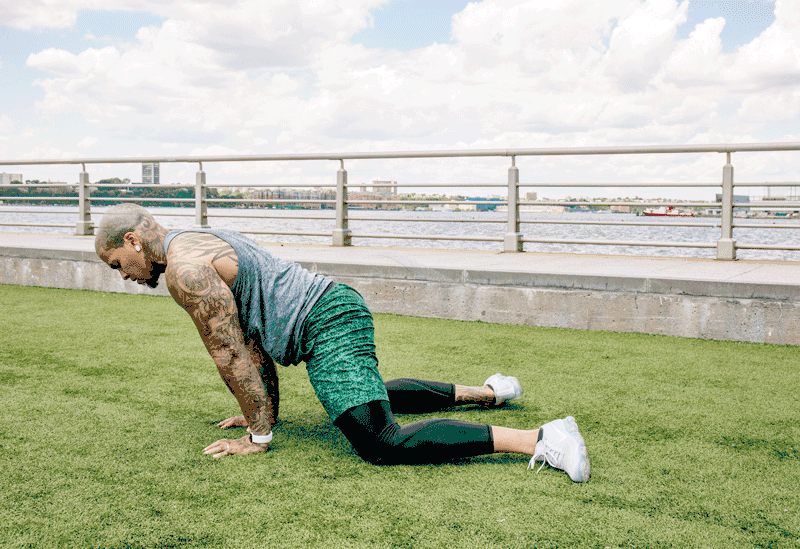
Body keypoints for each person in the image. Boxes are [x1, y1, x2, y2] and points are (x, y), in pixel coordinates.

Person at [94, 204, 590, 482]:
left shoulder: (184, 271)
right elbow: (249, 341)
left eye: (118, 265)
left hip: (326, 320)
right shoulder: (193, 238)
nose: (125, 275)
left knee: (378, 440)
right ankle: (491, 392)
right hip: (330, 309)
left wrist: (258, 438)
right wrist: (261, 415)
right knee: (360, 398)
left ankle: (542, 439)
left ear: (133, 241)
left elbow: (232, 355)